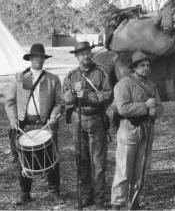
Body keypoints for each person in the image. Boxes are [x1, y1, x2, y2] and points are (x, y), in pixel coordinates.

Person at [4, 43, 64, 205]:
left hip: (45, 124)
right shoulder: (21, 77)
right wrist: (13, 120)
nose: (38, 59)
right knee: (24, 161)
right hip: (25, 125)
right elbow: (9, 102)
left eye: (40, 57)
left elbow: (59, 102)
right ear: (30, 59)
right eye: (35, 57)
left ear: (44, 59)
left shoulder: (52, 79)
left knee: (51, 158)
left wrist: (53, 117)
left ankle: (54, 191)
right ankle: (25, 193)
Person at [111, 50, 163, 210]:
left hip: (147, 131)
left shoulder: (152, 85)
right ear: (134, 67)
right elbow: (123, 108)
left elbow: (160, 106)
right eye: (142, 65)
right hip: (129, 130)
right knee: (124, 170)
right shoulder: (124, 84)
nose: (146, 68)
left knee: (140, 169)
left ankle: (134, 201)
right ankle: (117, 203)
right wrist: (145, 107)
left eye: (148, 65)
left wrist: (156, 111)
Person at [62, 41, 112, 208]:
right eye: (81, 54)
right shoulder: (71, 75)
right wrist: (73, 95)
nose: (85, 56)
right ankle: (86, 195)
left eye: (87, 53)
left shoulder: (101, 73)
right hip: (77, 119)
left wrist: (88, 96)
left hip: (96, 119)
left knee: (98, 161)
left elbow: (108, 96)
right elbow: (65, 98)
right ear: (76, 57)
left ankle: (99, 198)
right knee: (81, 159)